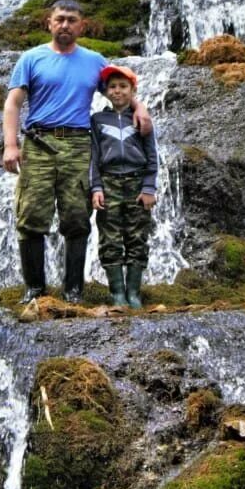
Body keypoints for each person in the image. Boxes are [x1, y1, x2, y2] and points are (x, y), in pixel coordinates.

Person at [2, 0, 150, 303]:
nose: (65, 25)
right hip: (39, 143)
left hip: (79, 144)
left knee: (77, 217)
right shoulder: (31, 59)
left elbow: (119, 90)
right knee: (30, 215)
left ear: (82, 26)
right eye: (60, 19)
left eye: (71, 20)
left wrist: (141, 107)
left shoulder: (95, 61)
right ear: (49, 23)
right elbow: (13, 103)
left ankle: (73, 291)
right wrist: (10, 145)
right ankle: (34, 290)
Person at [89, 65, 158, 308]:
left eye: (123, 87)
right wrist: (96, 187)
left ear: (133, 90)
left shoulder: (141, 119)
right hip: (108, 184)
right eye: (112, 87)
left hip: (137, 184)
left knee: (137, 237)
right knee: (110, 238)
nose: (118, 91)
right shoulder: (97, 120)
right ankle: (117, 293)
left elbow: (152, 155)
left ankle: (134, 294)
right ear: (105, 91)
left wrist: (149, 187)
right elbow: (93, 158)